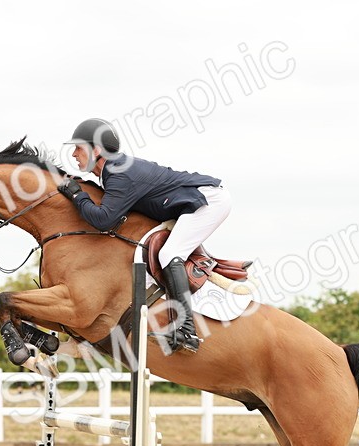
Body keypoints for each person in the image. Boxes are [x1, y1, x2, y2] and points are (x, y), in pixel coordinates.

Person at [57, 118, 231, 353]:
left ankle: (187, 330)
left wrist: (78, 196)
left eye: (79, 147)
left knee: (170, 253)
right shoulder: (113, 171)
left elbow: (104, 220)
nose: (74, 154)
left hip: (208, 201)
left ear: (96, 150)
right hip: (192, 202)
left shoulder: (119, 172)